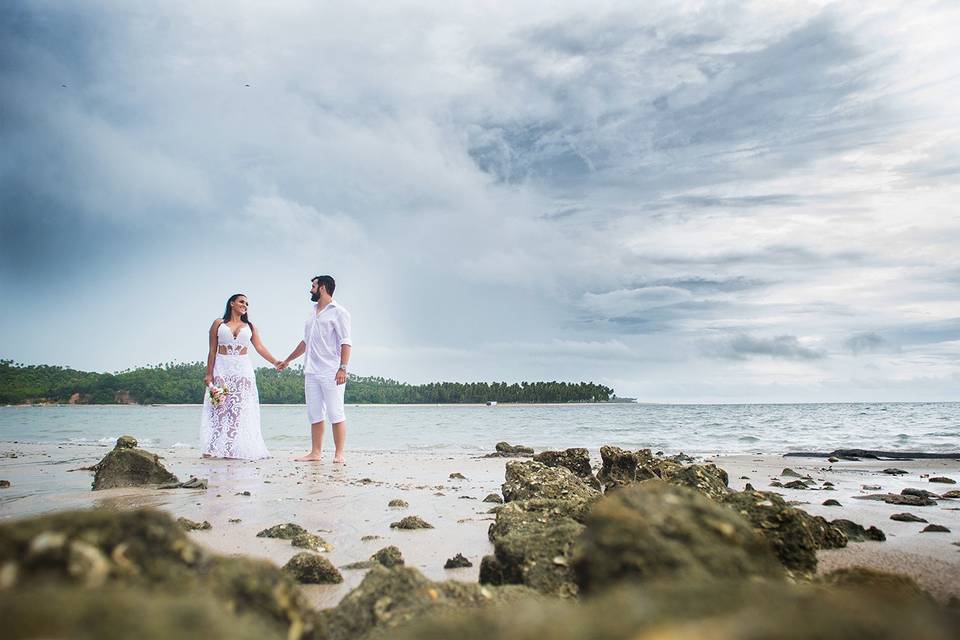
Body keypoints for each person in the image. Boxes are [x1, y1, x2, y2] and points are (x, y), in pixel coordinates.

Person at [278, 275, 352, 463]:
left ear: (322, 288)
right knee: (315, 413)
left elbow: (346, 342)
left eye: (313, 286)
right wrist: (287, 360)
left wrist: (343, 368)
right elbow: (305, 342)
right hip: (311, 371)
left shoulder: (339, 312)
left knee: (336, 412)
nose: (310, 289)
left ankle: (339, 454)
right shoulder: (312, 312)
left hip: (331, 371)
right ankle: (315, 453)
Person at [200, 293, 281, 459]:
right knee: (219, 408)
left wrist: (275, 362)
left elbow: (259, 347)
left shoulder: (250, 326)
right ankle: (213, 446)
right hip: (222, 368)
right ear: (232, 303)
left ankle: (230, 448)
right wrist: (209, 373)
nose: (245, 305)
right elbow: (212, 350)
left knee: (235, 412)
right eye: (241, 302)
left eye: (247, 304)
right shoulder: (218, 323)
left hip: (243, 371)